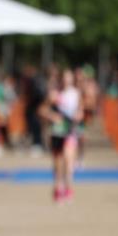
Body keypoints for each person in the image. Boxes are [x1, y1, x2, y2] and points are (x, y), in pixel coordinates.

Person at [39, 67, 84, 203]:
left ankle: (68, 188)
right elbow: (42, 110)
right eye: (64, 77)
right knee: (58, 161)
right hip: (57, 131)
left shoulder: (76, 94)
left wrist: (78, 116)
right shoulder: (54, 94)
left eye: (68, 77)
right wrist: (53, 116)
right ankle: (58, 187)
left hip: (70, 130)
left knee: (69, 159)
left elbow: (80, 111)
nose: (66, 80)